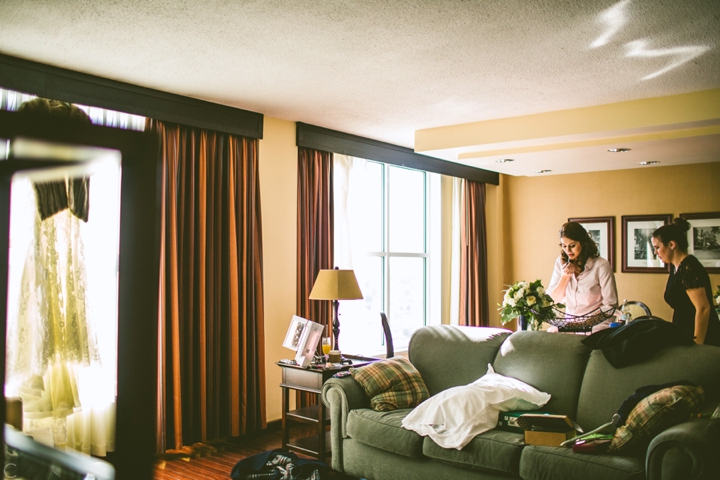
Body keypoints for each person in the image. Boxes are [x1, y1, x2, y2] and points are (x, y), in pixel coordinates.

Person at [651, 218, 720, 346]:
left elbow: (703, 308)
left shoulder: (689, 267)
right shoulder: (676, 267)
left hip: (701, 337)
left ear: (671, 245)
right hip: (684, 331)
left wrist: (697, 344)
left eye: (657, 247)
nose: (655, 253)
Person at [547, 222, 618, 332]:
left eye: (572, 246)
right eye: (564, 246)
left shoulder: (601, 265)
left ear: (583, 243)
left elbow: (610, 305)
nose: (568, 251)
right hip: (570, 324)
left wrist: (586, 322)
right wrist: (565, 277)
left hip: (596, 325)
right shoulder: (560, 262)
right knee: (550, 336)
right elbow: (553, 300)